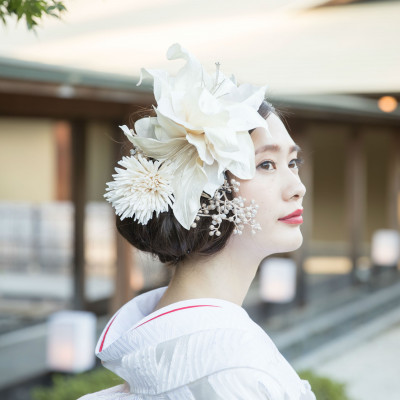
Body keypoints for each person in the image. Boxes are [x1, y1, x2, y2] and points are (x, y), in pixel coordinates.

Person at [79, 43, 316, 399]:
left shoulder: (180, 345)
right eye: (266, 164)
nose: (297, 188)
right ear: (205, 191)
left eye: (293, 163)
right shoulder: (236, 371)